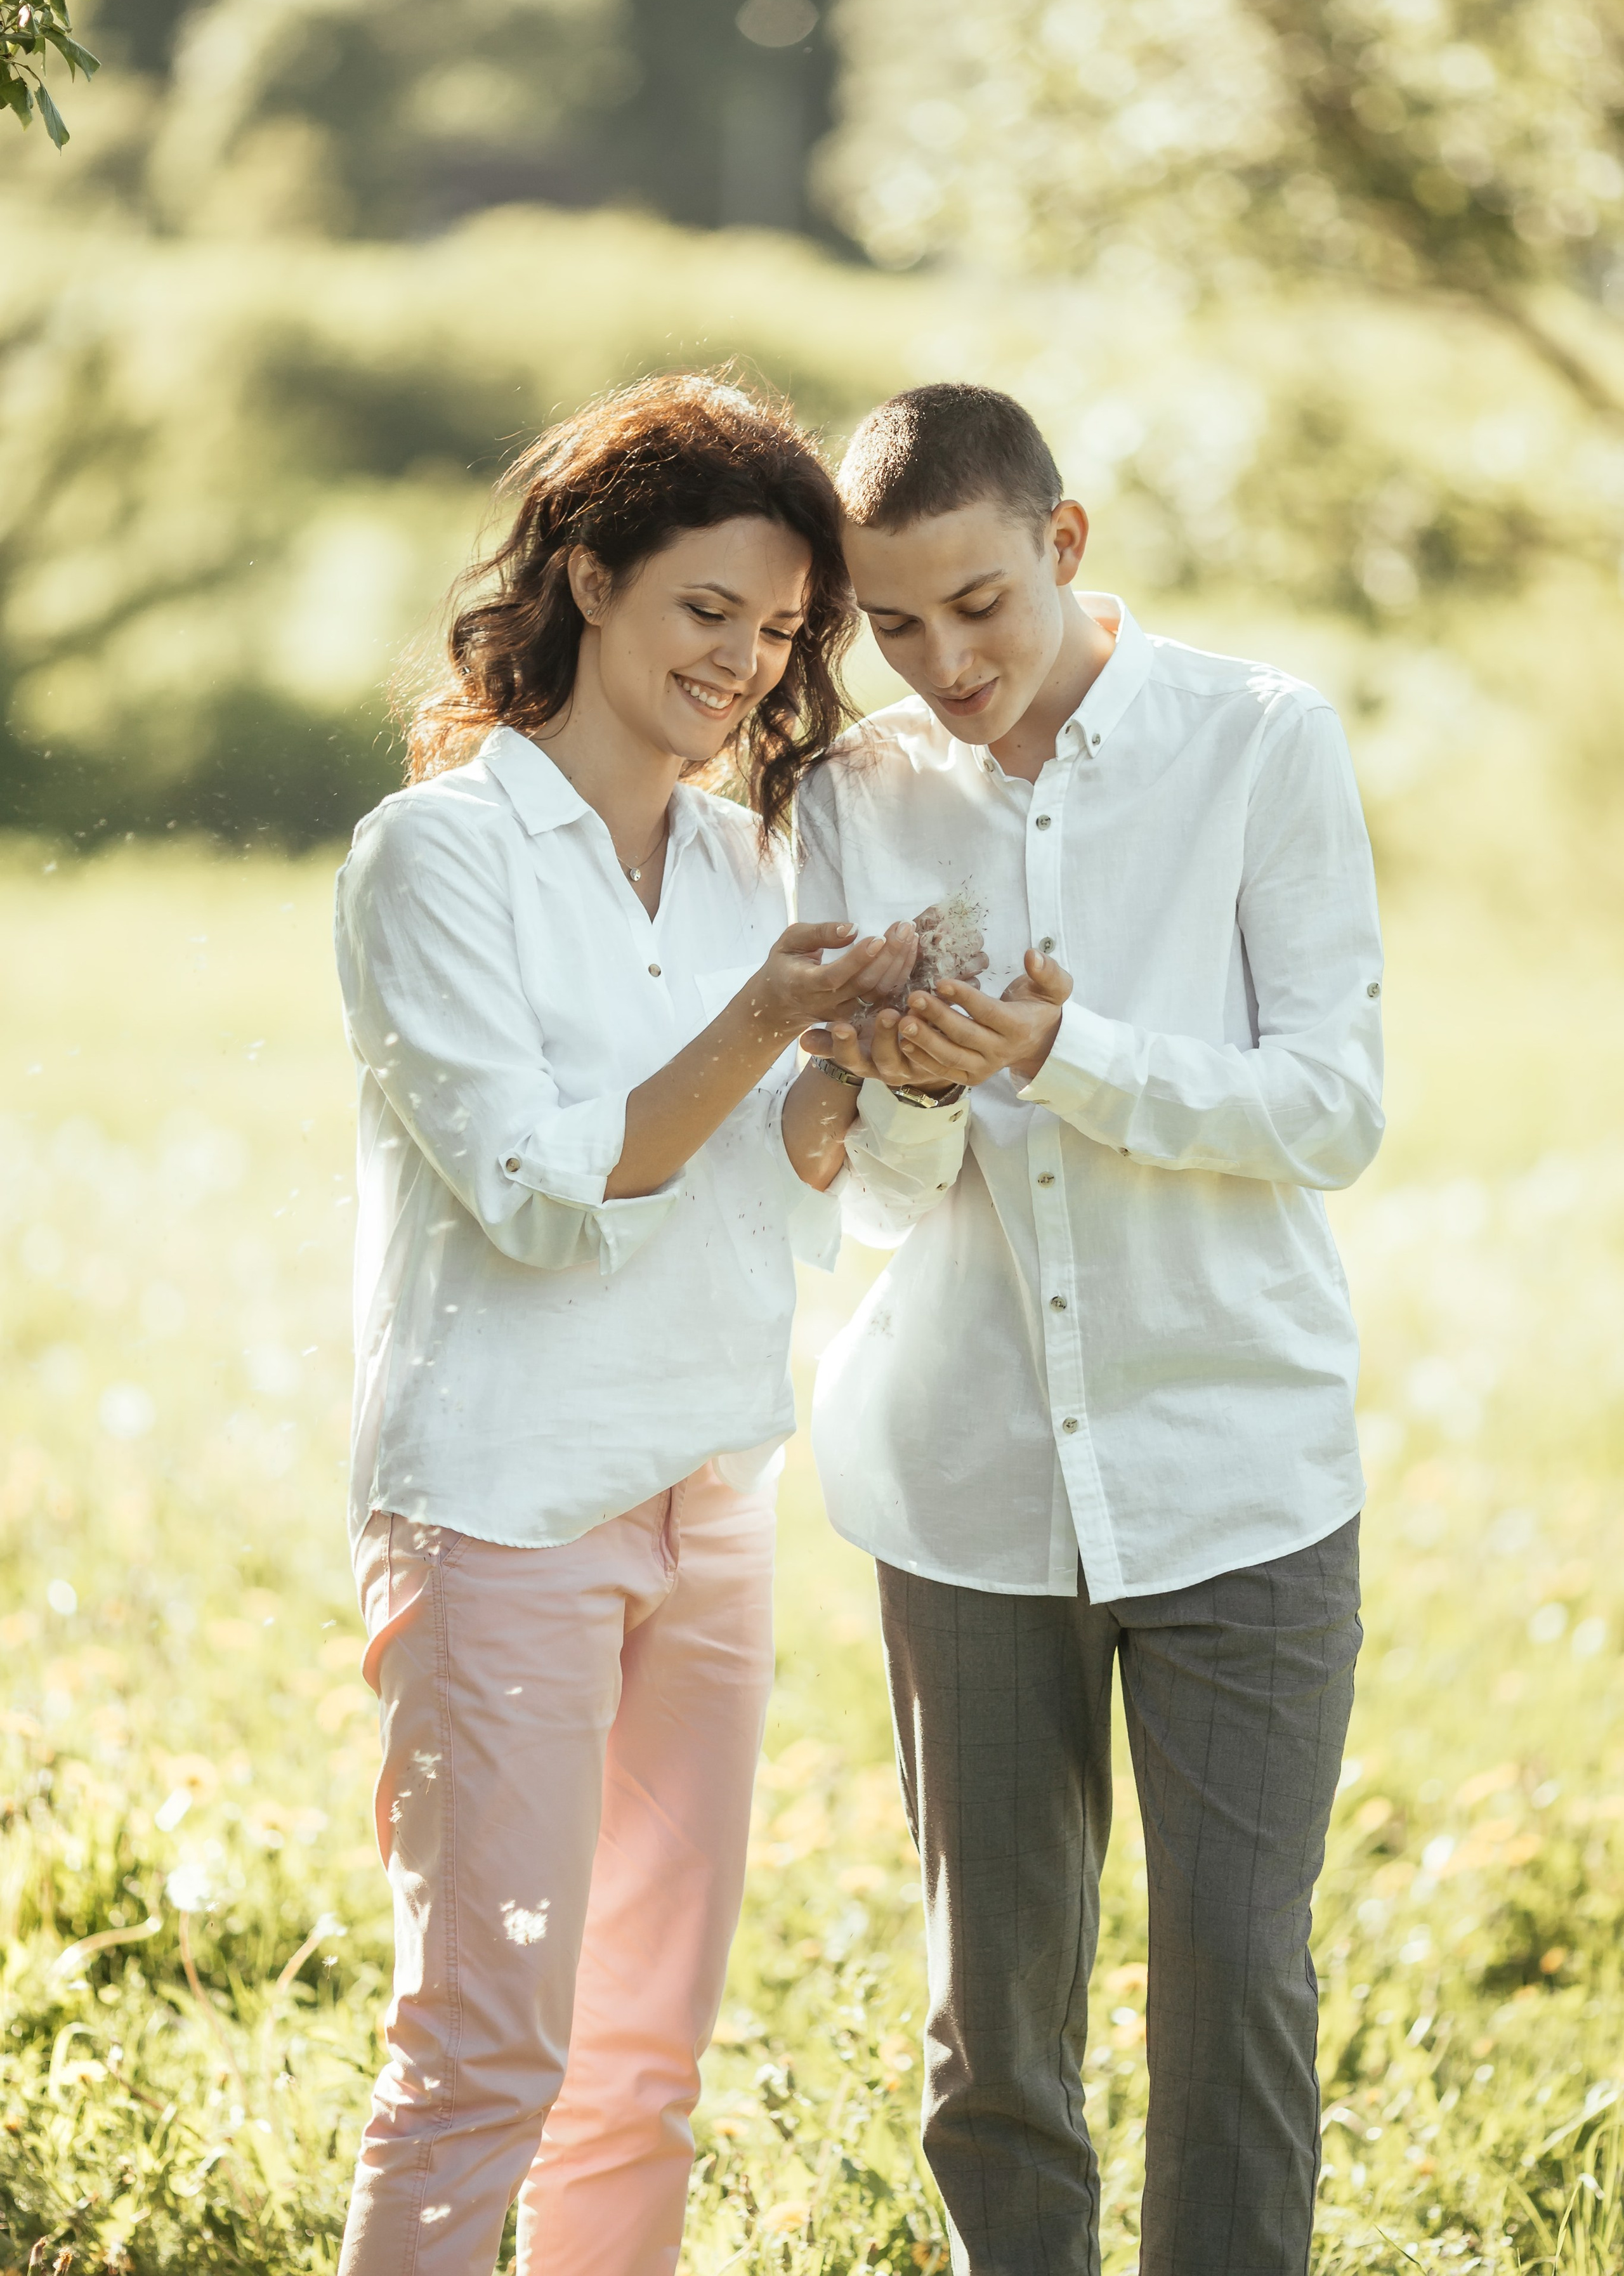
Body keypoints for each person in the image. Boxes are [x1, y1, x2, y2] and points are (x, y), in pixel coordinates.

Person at [331, 372, 929, 2276]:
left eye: (780, 634)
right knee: (483, 2058)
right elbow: (535, 1190)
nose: (748, 666)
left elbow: (778, 1169)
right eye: (707, 613)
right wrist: (765, 1024)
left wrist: (868, 1070)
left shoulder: (755, 865)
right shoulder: (439, 860)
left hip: (709, 1499)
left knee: (644, 2061)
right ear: (587, 582)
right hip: (505, 1515)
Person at [795, 383, 1385, 2276]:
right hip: (965, 1487)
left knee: (1235, 1995)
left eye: (978, 604)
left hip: (1241, 1473)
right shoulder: (850, 802)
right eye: (893, 626)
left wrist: (1074, 1055)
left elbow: (1334, 1107)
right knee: (996, 2026)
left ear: (1065, 543)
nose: (942, 661)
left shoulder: (1260, 742)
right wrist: (918, 1090)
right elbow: (878, 1197)